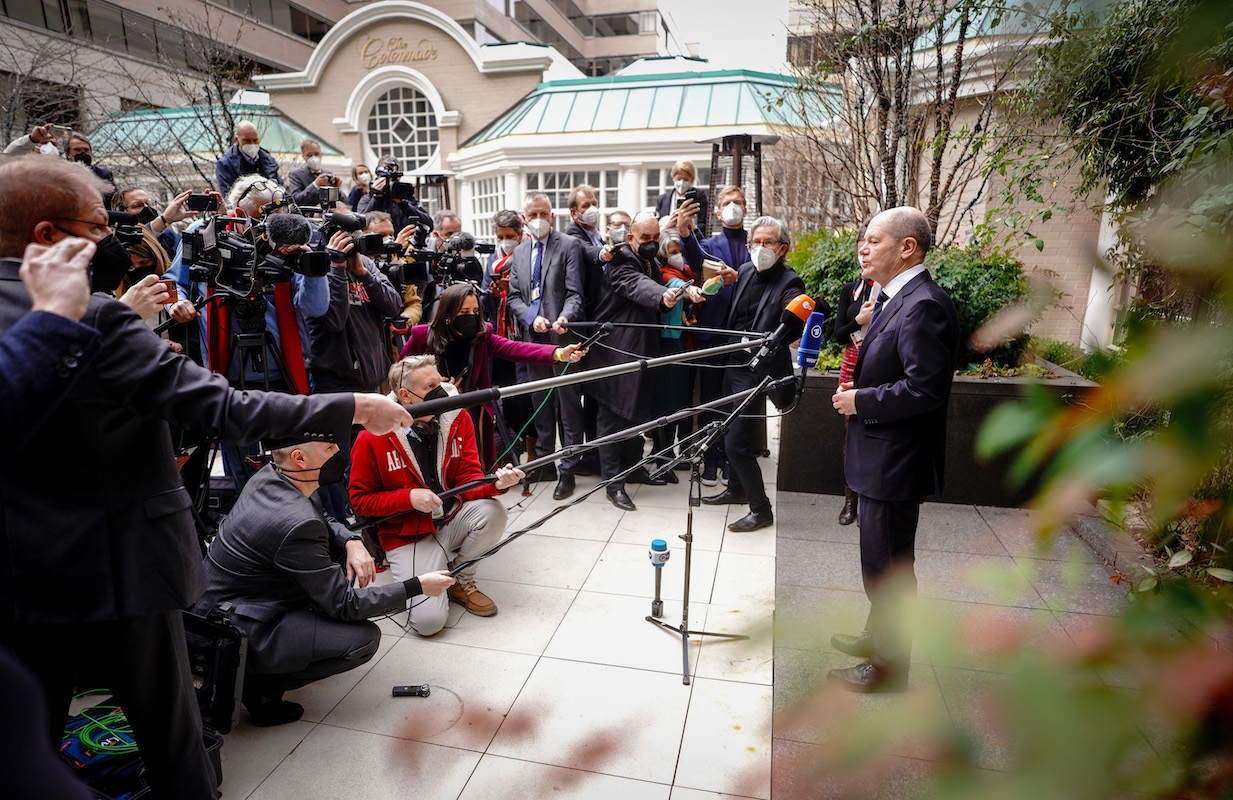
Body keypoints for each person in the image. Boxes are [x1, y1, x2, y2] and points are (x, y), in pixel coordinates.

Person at [0, 154, 413, 800]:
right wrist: (353, 407)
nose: (120, 238)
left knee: (29, 739)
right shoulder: (96, 315)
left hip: (25, 576)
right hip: (125, 568)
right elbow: (220, 406)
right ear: (50, 237)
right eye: (101, 224)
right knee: (171, 737)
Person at [197, 433, 454, 726]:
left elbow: (322, 519)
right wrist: (417, 586)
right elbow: (346, 605)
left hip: (237, 598)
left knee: (334, 557)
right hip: (238, 625)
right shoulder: (295, 522)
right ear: (299, 458)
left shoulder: (275, 476)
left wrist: (352, 541)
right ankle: (258, 687)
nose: (338, 451)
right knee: (361, 640)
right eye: (329, 447)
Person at [829, 206, 960, 693]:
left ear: (908, 247)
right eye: (862, 240)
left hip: (894, 460)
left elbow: (925, 390)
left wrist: (859, 400)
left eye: (873, 240)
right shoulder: (890, 299)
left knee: (889, 568)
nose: (862, 247)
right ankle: (875, 637)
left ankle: (887, 670)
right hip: (879, 456)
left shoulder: (924, 302)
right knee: (878, 558)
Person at [350, 356, 524, 636]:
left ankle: (460, 580)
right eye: (430, 385)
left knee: (494, 511)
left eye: (440, 381)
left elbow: (468, 477)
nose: (441, 389)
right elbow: (360, 502)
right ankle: (436, 571)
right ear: (404, 396)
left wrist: (498, 484)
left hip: (448, 520)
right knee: (428, 624)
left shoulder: (456, 418)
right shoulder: (371, 436)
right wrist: (408, 498)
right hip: (407, 536)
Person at [587, 216, 704, 510]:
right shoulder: (621, 260)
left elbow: (658, 278)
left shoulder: (649, 261)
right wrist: (663, 296)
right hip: (615, 353)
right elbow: (636, 285)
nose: (651, 243)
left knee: (636, 415)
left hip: (640, 351)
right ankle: (613, 484)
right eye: (645, 238)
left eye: (655, 237)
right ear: (630, 238)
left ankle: (634, 468)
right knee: (612, 417)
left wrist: (682, 291)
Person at [400, 283, 585, 468]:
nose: (471, 316)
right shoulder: (421, 336)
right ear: (448, 313)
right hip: (431, 414)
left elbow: (515, 348)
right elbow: (399, 372)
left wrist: (559, 354)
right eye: (464, 311)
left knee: (471, 465)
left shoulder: (482, 335)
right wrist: (431, 384)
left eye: (475, 311)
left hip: (471, 412)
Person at [701, 216, 807, 532]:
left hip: (761, 369)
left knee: (736, 443)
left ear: (783, 248)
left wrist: (789, 331)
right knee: (727, 428)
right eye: (756, 242)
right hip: (735, 361)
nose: (760, 248)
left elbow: (794, 312)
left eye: (768, 242)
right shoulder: (746, 270)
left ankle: (761, 510)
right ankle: (736, 489)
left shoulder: (790, 281)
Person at [505, 191, 589, 499]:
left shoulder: (569, 245)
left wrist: (565, 317)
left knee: (568, 408)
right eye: (533, 214)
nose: (539, 219)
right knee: (540, 404)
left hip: (563, 339)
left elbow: (575, 293)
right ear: (524, 219)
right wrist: (531, 317)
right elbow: (514, 296)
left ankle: (568, 468)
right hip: (535, 341)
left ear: (552, 216)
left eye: (545, 213)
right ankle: (545, 462)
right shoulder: (520, 252)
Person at [682, 184, 748, 486]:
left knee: (737, 400)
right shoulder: (710, 243)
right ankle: (710, 459)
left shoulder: (755, 244)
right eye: (727, 202)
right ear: (718, 211)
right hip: (712, 333)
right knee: (710, 399)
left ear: (745, 210)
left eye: (738, 202)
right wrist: (685, 231)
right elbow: (696, 256)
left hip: (745, 334)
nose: (733, 206)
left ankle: (732, 459)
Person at [832, 230, 879, 526]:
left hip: (879, 363)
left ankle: (872, 498)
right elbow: (837, 335)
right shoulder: (850, 289)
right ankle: (851, 501)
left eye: (872, 245)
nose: (865, 251)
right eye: (861, 246)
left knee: (876, 428)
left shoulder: (892, 289)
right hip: (852, 362)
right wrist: (858, 322)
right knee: (851, 432)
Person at [215, 119, 282, 198]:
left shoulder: (268, 160)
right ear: (237, 140)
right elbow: (228, 197)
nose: (252, 144)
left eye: (255, 140)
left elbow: (280, 190)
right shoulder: (226, 164)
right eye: (247, 140)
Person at [285, 138, 340, 209]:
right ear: (303, 157)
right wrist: (315, 185)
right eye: (309, 155)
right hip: (308, 214)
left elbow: (342, 201)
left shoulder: (328, 174)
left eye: (316, 154)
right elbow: (296, 200)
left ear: (321, 154)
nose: (314, 158)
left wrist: (336, 189)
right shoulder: (296, 174)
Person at [654, 159, 709, 223]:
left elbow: (703, 222)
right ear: (673, 177)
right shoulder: (662, 199)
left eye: (686, 179)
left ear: (692, 179)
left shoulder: (699, 196)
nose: (682, 182)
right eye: (679, 179)